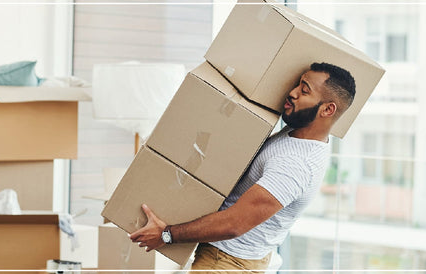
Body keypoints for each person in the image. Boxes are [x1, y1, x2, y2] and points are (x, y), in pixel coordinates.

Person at [129, 62, 356, 272]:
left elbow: (234, 223)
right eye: (298, 83)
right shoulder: (296, 133)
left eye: (304, 90)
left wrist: (167, 235)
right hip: (227, 256)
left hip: (228, 262)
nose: (293, 92)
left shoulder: (296, 164)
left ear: (327, 110)